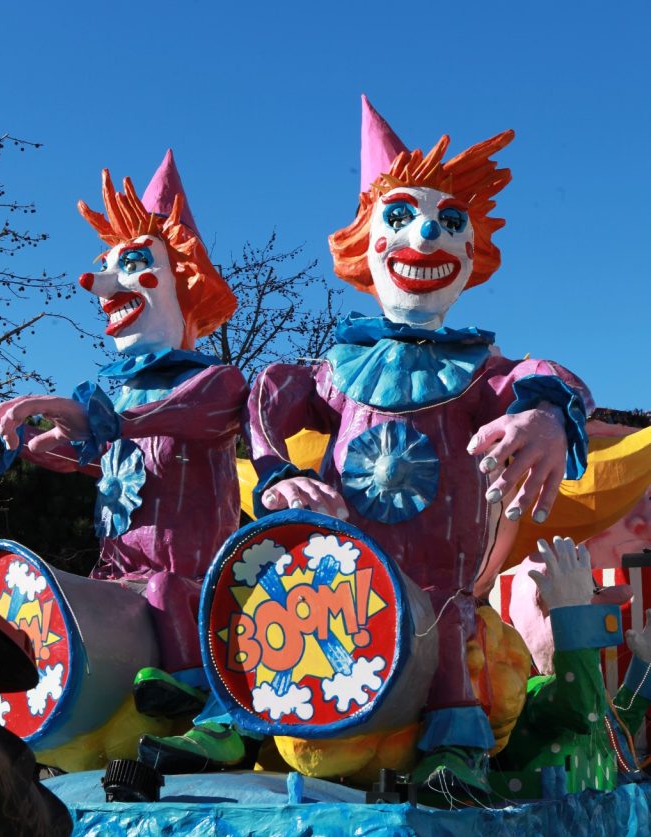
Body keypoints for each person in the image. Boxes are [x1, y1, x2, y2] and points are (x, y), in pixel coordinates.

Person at [246, 97, 593, 798]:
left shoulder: (478, 371)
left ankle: (455, 749)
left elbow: (542, 376)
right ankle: (242, 726)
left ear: (471, 252)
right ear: (365, 242)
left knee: (445, 624)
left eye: (450, 221)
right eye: (400, 215)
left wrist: (547, 415)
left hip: (443, 586)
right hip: (341, 587)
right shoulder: (337, 370)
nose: (427, 233)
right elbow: (268, 395)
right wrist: (276, 471)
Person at [0, 152, 251, 768]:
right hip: (119, 578)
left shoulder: (216, 383)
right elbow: (93, 451)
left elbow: (158, 418)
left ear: (184, 280)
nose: (99, 283)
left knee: (170, 589)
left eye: (132, 263)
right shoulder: (114, 396)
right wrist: (35, 444)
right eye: (104, 266)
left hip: (193, 580)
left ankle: (211, 708)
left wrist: (72, 413)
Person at [495, 536, 651, 795]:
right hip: (556, 815)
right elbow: (583, 710)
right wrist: (572, 614)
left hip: (604, 812)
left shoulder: (592, 694)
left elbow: (615, 732)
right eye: (586, 593)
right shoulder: (534, 693)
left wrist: (643, 666)